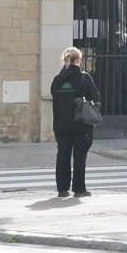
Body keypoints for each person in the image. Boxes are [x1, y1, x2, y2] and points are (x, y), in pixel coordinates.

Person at [50, 47, 100, 198]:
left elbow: (54, 96)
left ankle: (62, 189)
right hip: (81, 124)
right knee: (80, 157)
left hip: (61, 125)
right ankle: (79, 189)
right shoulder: (84, 78)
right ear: (78, 60)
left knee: (63, 155)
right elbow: (96, 96)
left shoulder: (57, 80)